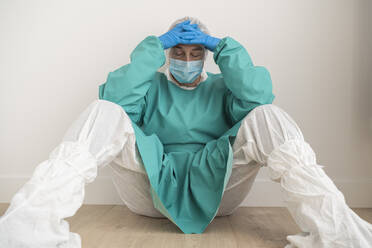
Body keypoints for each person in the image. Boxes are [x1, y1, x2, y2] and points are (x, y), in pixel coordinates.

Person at [0, 16, 371, 248]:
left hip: (217, 194)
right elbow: (113, 96)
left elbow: (259, 96)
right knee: (105, 110)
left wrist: (222, 46)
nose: (188, 60)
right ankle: (27, 230)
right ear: (167, 54)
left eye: (197, 53)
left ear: (207, 56)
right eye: (179, 51)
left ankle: (338, 234)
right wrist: (154, 46)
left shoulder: (224, 88)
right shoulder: (149, 87)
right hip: (149, 193)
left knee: (267, 115)